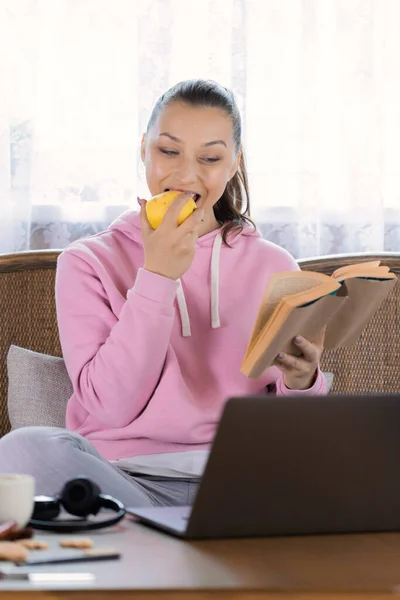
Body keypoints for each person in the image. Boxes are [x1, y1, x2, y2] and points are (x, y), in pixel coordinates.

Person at [0, 79, 327, 508]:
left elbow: (291, 429)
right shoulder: (86, 262)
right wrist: (157, 277)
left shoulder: (275, 265)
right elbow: (109, 409)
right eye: (168, 151)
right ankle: (181, 539)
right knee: (24, 448)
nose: (186, 174)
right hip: (123, 482)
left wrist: (302, 382)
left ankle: (167, 542)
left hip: (241, 480)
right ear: (143, 150)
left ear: (233, 164)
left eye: (209, 158)